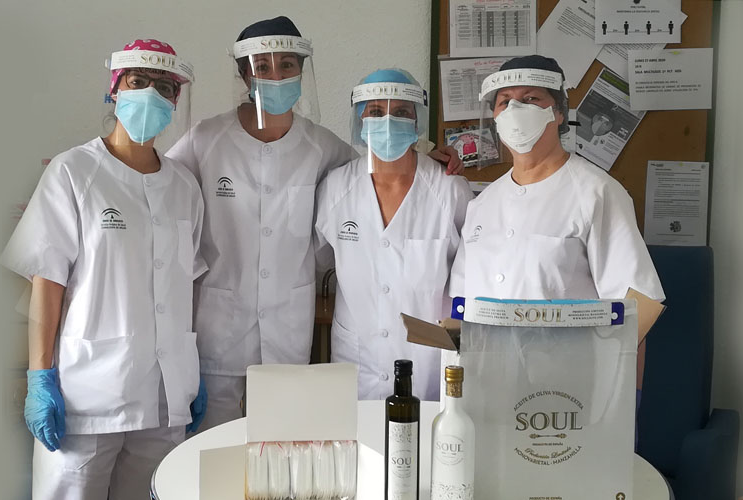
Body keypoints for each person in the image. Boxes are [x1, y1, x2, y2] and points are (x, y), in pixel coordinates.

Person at [168, 17, 463, 432]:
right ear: (244, 75)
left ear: (302, 71)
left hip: (288, 333)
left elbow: (378, 159)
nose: (276, 76)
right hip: (219, 329)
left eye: (287, 65)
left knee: (282, 452)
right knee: (215, 450)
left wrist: (428, 151)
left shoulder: (321, 145)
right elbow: (162, 184)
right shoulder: (206, 139)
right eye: (262, 66)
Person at [1, 39, 208, 500]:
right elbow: (47, 281)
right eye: (138, 81)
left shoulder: (184, 186)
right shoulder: (73, 172)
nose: (150, 94)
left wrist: (191, 370)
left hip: (165, 397)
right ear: (114, 90)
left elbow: (186, 286)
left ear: (175, 101)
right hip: (89, 396)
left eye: (164, 87)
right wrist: (40, 377)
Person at [449, 53, 665, 327]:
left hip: (571, 355)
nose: (515, 109)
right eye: (505, 101)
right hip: (486, 354)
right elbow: (460, 305)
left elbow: (637, 306)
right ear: (495, 116)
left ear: (559, 112)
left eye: (530, 98)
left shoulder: (597, 192)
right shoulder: (482, 204)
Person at [314, 69, 473, 401]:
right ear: (359, 121)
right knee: (359, 432)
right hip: (357, 359)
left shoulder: (449, 191)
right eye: (375, 112)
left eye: (401, 112)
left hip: (427, 361)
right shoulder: (335, 189)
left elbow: (469, 279)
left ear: (417, 122)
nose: (387, 122)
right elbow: (321, 259)